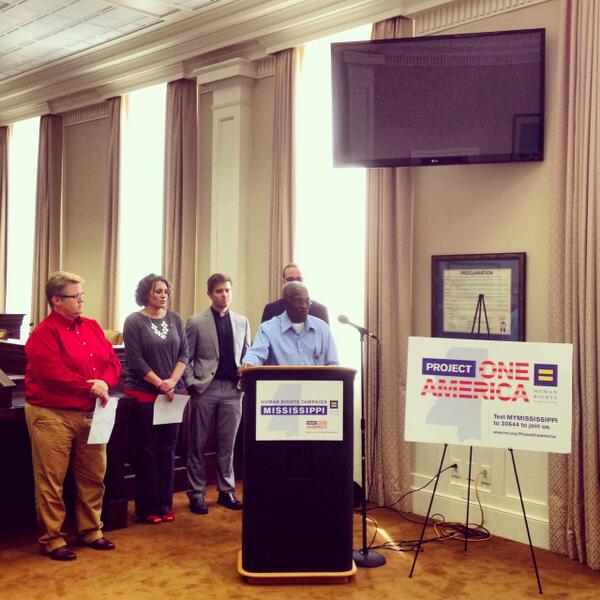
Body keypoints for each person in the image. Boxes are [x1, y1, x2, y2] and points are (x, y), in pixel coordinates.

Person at [25, 271, 121, 561]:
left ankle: (90, 530)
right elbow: (52, 374)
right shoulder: (43, 334)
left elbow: (112, 361)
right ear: (56, 300)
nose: (81, 300)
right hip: (53, 415)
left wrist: (104, 382)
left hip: (92, 412)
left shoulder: (91, 326)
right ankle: (52, 538)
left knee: (93, 475)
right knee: (51, 480)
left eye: (82, 295)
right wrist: (90, 387)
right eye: (75, 296)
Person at [123, 274, 189, 525]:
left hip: (173, 394)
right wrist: (160, 384)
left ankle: (164, 505)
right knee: (147, 451)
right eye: (157, 291)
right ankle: (147, 508)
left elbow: (184, 354)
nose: (163, 295)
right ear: (145, 294)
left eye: (165, 291)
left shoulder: (175, 319)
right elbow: (135, 360)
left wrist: (171, 381)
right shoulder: (134, 321)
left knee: (168, 450)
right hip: (145, 394)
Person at [184, 274, 251, 514]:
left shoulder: (242, 321)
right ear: (210, 294)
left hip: (233, 390)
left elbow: (247, 353)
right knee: (198, 443)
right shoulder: (196, 322)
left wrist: (246, 372)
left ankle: (226, 491)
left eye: (227, 290)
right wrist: (192, 383)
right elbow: (186, 357)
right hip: (205, 389)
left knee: (227, 444)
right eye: (219, 291)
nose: (225, 295)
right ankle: (196, 493)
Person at [245, 281, 338, 366]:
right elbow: (256, 355)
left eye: (307, 301)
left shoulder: (322, 328)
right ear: (285, 303)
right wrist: (250, 363)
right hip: (281, 380)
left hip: (318, 380)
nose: (304, 306)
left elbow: (333, 364)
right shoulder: (268, 329)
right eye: (298, 301)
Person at [261, 262, 329, 323]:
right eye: (290, 279)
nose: (295, 283)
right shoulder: (271, 310)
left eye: (299, 279)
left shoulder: (320, 310)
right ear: (283, 282)